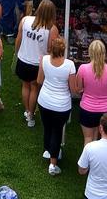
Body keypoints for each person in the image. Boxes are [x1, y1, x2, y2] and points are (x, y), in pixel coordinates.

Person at [14, 0, 59, 128]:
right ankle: (31, 115)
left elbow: (18, 39)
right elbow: (52, 49)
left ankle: (27, 110)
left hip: (23, 59)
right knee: (35, 88)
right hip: (37, 64)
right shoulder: (51, 29)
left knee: (25, 85)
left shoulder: (25, 20)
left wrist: (17, 53)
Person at [37, 36, 78, 176]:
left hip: (44, 100)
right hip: (61, 105)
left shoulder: (44, 60)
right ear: (63, 50)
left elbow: (39, 80)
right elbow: (73, 89)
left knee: (47, 128)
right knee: (57, 131)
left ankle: (48, 150)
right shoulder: (70, 65)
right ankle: (53, 164)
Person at [76, 39, 107, 146]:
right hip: (106, 110)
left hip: (87, 109)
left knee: (88, 139)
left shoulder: (83, 69)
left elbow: (79, 89)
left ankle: (87, 162)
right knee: (100, 140)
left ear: (90, 53)